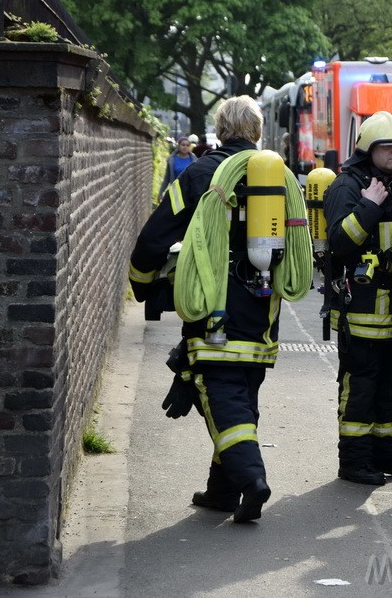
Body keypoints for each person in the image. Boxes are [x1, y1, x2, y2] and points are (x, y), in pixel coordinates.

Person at [129, 95, 307, 523]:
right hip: (264, 310)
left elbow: (157, 236)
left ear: (221, 130)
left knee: (223, 396)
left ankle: (251, 480)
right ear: (258, 132)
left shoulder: (200, 174)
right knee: (241, 399)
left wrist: (141, 282)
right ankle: (222, 492)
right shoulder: (278, 177)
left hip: (214, 309)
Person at [323, 111, 392, 486]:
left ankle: (387, 455)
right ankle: (353, 460)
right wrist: (368, 205)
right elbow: (338, 244)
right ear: (368, 148)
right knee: (361, 386)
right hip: (361, 309)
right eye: (389, 146)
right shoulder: (346, 187)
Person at [158, 136, 194, 202]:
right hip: (176, 191)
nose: (185, 147)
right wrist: (160, 193)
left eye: (187, 145)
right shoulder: (172, 160)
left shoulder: (194, 160)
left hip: (190, 192)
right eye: (183, 145)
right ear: (178, 146)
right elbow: (167, 178)